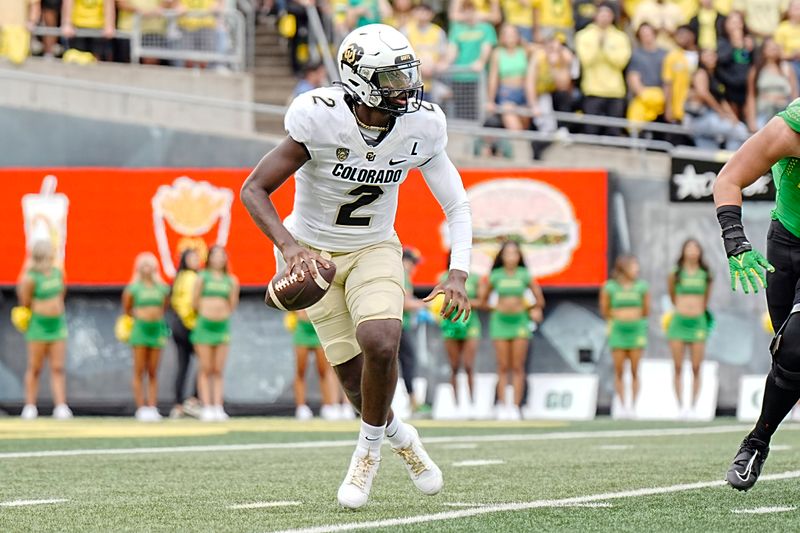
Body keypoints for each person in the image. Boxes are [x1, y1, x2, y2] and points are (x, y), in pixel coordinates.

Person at [240, 24, 472, 509]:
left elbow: (457, 205)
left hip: (374, 247)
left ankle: (366, 454)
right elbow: (254, 189)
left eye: (407, 75)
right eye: (392, 78)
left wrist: (458, 272)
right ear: (360, 81)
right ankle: (400, 436)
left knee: (382, 340)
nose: (406, 87)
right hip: (314, 254)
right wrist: (289, 248)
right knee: (353, 381)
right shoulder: (319, 118)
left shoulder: (420, 125)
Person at [713, 95, 800, 491]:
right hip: (787, 242)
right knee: (789, 359)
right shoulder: (789, 129)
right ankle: (758, 441)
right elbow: (728, 178)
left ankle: (754, 443)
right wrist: (736, 242)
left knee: (798, 344)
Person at [479, 241, 544, 421]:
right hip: (500, 322)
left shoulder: (525, 275)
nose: (511, 257)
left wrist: (531, 308)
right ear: (502, 256)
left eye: (515, 253)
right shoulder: (495, 276)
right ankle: (502, 405)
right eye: (507, 253)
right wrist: (497, 308)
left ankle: (515, 407)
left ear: (519, 256)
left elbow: (539, 300)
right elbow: (484, 301)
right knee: (502, 366)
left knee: (517, 366)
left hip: (520, 323)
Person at [16, 241, 72, 420]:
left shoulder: (58, 273)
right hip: (38, 326)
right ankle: (30, 406)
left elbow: (61, 293)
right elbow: (25, 301)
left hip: (57, 325)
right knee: (35, 367)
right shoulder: (30, 277)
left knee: (58, 367)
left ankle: (61, 406)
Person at [191, 245, 239, 422]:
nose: (219, 259)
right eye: (216, 255)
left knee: (218, 369)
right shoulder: (202, 277)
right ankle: (206, 406)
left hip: (222, 327)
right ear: (209, 258)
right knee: (205, 368)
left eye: (222, 255)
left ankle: (218, 405)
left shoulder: (231, 280)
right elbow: (194, 302)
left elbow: (232, 304)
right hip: (204, 326)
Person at [667, 239, 713, 419]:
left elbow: (706, 297)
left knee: (696, 366)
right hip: (679, 322)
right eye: (689, 248)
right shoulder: (675, 273)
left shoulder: (705, 274)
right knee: (678, 366)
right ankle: (681, 407)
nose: (693, 252)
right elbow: (672, 295)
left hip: (698, 323)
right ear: (683, 251)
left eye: (696, 248)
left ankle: (693, 406)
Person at [600, 255, 649, 419]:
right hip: (618, 331)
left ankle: (633, 406)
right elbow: (605, 309)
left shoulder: (641, 286)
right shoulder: (610, 287)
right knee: (619, 370)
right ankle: (622, 405)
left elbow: (646, 310)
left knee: (635, 370)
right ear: (624, 267)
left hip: (636, 330)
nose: (637, 269)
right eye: (633, 266)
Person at [122, 252, 170, 422]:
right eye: (144, 264)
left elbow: (165, 306)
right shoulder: (133, 288)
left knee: (153, 371)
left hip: (157, 330)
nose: (147, 268)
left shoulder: (162, 288)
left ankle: (152, 406)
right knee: (139, 370)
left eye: (150, 264)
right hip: (140, 330)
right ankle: (140, 407)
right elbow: (127, 308)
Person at [574, 2, 632, 136]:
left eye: (608, 15)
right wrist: (598, 45)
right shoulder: (584, 35)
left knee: (613, 131)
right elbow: (586, 60)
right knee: (591, 130)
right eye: (602, 14)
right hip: (592, 89)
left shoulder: (621, 37)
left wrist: (605, 47)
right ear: (596, 15)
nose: (604, 18)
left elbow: (621, 62)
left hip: (615, 90)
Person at [437, 254, 482, 408]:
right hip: (451, 324)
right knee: (454, 366)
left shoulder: (475, 278)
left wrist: (464, 301)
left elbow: (482, 301)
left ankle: (472, 403)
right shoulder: (443, 277)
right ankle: (455, 405)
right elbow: (439, 301)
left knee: (469, 365)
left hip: (470, 324)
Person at [684, 48, 749, 150]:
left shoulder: (715, 76)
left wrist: (732, 117)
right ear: (701, 58)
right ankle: (734, 161)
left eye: (713, 55)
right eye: (707, 56)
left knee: (710, 151)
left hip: (709, 118)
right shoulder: (701, 73)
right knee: (740, 130)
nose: (711, 58)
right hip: (698, 118)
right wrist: (720, 112)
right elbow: (703, 93)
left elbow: (722, 100)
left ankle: (729, 160)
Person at [447, 0, 498, 121]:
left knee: (479, 113)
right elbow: (452, 50)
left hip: (478, 77)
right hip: (459, 77)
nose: (469, 14)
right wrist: (445, 63)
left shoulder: (486, 28)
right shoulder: (457, 28)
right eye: (465, 11)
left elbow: (487, 47)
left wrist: (481, 61)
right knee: (461, 114)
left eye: (471, 11)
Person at [289, 309, 340, 420]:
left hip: (319, 327)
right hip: (302, 328)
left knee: (323, 371)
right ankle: (301, 407)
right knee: (300, 371)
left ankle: (327, 406)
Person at [168, 248, 201, 419]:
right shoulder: (188, 278)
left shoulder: (182, 277)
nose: (195, 260)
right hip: (188, 326)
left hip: (186, 325)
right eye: (191, 258)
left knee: (190, 365)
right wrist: (192, 323)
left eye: (196, 257)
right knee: (194, 365)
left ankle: (185, 402)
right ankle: (187, 402)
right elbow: (185, 304)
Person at [402, 3, 451, 105]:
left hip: (433, 81)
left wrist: (436, 67)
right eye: (420, 10)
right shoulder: (406, 30)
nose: (422, 14)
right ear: (414, 13)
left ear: (432, 14)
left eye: (426, 11)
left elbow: (443, 56)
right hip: (411, 84)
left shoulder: (437, 32)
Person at [746, 37, 798, 132]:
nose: (773, 49)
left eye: (775, 47)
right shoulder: (756, 70)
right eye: (770, 47)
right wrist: (751, 121)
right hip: (764, 112)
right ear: (763, 51)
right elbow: (751, 96)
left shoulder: (786, 68)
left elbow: (794, 95)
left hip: (783, 113)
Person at [487, 24, 532, 132]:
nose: (510, 37)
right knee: (515, 128)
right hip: (506, 94)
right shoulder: (497, 53)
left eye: (513, 34)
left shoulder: (524, 50)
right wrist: (490, 100)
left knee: (525, 126)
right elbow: (493, 78)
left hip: (523, 93)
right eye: (507, 34)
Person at [399, 247, 427, 414]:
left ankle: (412, 400)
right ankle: (413, 401)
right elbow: (404, 303)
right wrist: (427, 305)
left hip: (399, 324)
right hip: (398, 325)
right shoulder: (402, 274)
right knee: (407, 362)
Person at [626, 23, 667, 124]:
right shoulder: (636, 54)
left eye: (649, 33)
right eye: (643, 35)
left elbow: (668, 79)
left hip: (663, 99)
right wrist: (646, 96)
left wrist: (664, 98)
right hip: (643, 98)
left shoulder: (665, 54)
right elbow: (633, 77)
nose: (647, 37)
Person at [716, 11, 754, 120]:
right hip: (729, 87)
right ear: (725, 25)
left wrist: (752, 49)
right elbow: (721, 60)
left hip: (746, 87)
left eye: (738, 22)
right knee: (734, 118)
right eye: (732, 22)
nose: (735, 26)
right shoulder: (723, 42)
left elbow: (755, 64)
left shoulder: (748, 42)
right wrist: (734, 45)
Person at [662, 25, 697, 130]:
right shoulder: (672, 56)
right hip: (678, 109)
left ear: (692, 35)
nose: (679, 37)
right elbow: (668, 83)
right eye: (678, 34)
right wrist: (668, 107)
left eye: (683, 33)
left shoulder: (701, 54)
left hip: (697, 109)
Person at [115, 0, 168, 64]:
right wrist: (140, 11)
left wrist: (160, 7)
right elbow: (121, 3)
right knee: (126, 62)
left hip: (153, 29)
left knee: (152, 63)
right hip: (128, 30)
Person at [0, 0, 40, 65]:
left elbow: (35, 4)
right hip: (3, 31)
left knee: (16, 66)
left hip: (19, 34)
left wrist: (32, 21)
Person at [775, 0, 800, 85]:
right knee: (788, 68)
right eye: (796, 8)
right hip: (789, 62)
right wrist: (792, 55)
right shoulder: (782, 28)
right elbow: (779, 54)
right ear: (789, 11)